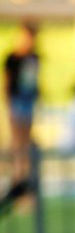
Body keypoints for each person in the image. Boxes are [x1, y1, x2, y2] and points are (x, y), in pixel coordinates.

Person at [4, 20, 40, 183]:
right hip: (16, 102)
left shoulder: (34, 57)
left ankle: (24, 178)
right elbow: (7, 83)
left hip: (28, 102)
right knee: (17, 141)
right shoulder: (12, 58)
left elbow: (34, 82)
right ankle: (17, 177)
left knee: (26, 142)